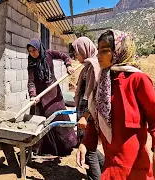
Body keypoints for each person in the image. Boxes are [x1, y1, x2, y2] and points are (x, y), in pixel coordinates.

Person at [76, 30, 155, 180]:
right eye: (98, 51)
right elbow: (95, 116)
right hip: (111, 167)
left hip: (135, 171)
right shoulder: (103, 83)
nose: (99, 55)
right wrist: (85, 144)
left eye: (105, 51)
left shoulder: (137, 80)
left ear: (119, 51)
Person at [27, 38, 77, 156]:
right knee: (41, 122)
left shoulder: (49, 54)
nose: (32, 53)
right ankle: (44, 150)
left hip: (53, 93)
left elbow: (64, 55)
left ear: (39, 48)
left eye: (34, 50)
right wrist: (33, 95)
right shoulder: (31, 63)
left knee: (58, 117)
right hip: (40, 96)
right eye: (29, 51)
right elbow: (31, 81)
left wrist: (68, 65)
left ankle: (66, 146)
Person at [71, 37, 104, 180]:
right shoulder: (87, 66)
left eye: (77, 53)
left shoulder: (94, 66)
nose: (75, 56)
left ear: (84, 50)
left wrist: (86, 115)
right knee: (88, 146)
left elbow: (96, 96)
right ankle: (106, 168)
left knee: (88, 149)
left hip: (89, 114)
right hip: (85, 112)